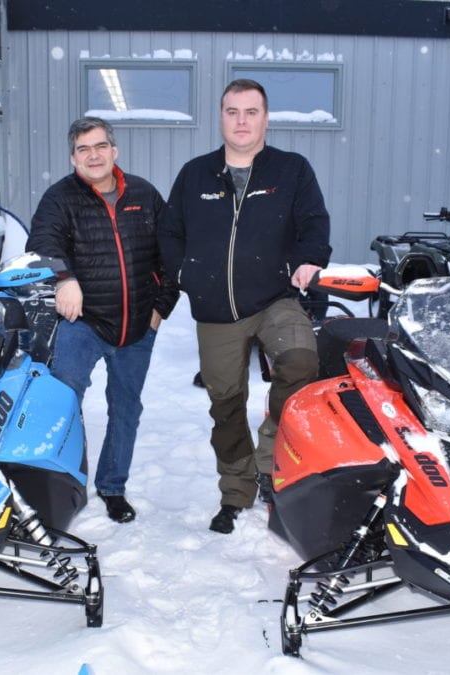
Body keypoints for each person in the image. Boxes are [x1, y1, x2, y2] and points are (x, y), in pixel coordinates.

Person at [161, 79, 332, 534]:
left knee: (300, 361)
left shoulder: (291, 170)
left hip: (275, 295)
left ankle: (270, 453)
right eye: (232, 111)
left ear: (266, 118)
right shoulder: (196, 173)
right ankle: (236, 491)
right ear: (221, 117)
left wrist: (310, 259)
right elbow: (170, 231)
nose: (241, 121)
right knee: (226, 404)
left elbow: (313, 221)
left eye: (251, 111)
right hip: (216, 308)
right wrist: (185, 274)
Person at [26, 117, 178, 523]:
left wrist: (160, 309)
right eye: (83, 149)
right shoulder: (60, 198)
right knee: (61, 404)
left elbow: (171, 255)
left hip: (137, 327)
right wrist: (64, 278)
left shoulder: (144, 194)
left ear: (114, 151)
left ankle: (113, 487)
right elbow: (42, 242)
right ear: (72, 157)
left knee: (126, 408)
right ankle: (59, 483)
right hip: (83, 325)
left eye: (99, 146)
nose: (93, 155)